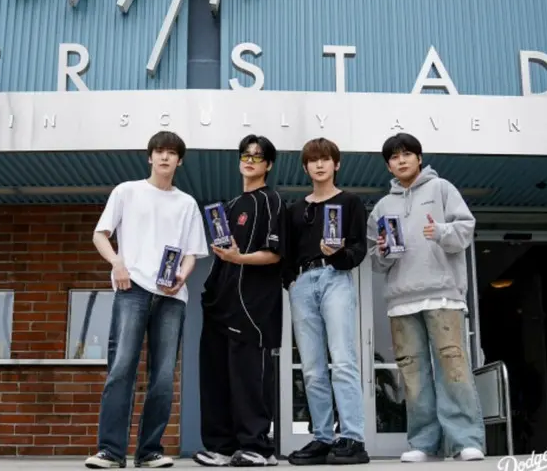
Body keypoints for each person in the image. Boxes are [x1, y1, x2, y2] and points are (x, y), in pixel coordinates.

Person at [85, 131, 209, 469]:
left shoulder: (187, 204)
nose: (165, 157)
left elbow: (192, 253)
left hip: (171, 296)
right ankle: (110, 451)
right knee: (122, 367)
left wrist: (182, 276)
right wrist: (117, 262)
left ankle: (149, 450)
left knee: (163, 375)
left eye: (172, 153)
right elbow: (100, 234)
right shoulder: (127, 191)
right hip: (132, 289)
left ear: (180, 160)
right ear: (149, 157)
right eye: (159, 151)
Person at [367, 132, 485, 463]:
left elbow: (465, 229)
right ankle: (424, 442)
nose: (401, 160)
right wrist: (385, 253)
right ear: (388, 165)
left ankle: (465, 441)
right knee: (413, 374)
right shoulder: (382, 207)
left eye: (407, 154)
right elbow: (375, 260)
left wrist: (442, 232)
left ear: (419, 158)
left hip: (442, 295)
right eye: (394, 156)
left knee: (452, 367)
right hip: (401, 301)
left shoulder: (442, 188)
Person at [193, 134, 287, 467]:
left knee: (249, 378)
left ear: (268, 165)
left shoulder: (271, 201)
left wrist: (238, 259)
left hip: (254, 306)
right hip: (222, 303)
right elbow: (222, 256)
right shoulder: (229, 207)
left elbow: (275, 255)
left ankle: (258, 447)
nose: (250, 161)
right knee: (216, 376)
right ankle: (221, 446)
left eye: (257, 157)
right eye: (245, 155)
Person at [284, 138, 370, 466]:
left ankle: (353, 438)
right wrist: (290, 281)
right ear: (305, 167)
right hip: (303, 284)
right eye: (313, 160)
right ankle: (323, 437)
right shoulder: (295, 210)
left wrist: (338, 257)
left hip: (335, 280)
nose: (319, 165)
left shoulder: (350, 203)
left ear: (337, 164)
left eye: (326, 159)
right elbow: (287, 254)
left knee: (343, 360)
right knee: (311, 368)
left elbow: (359, 249)